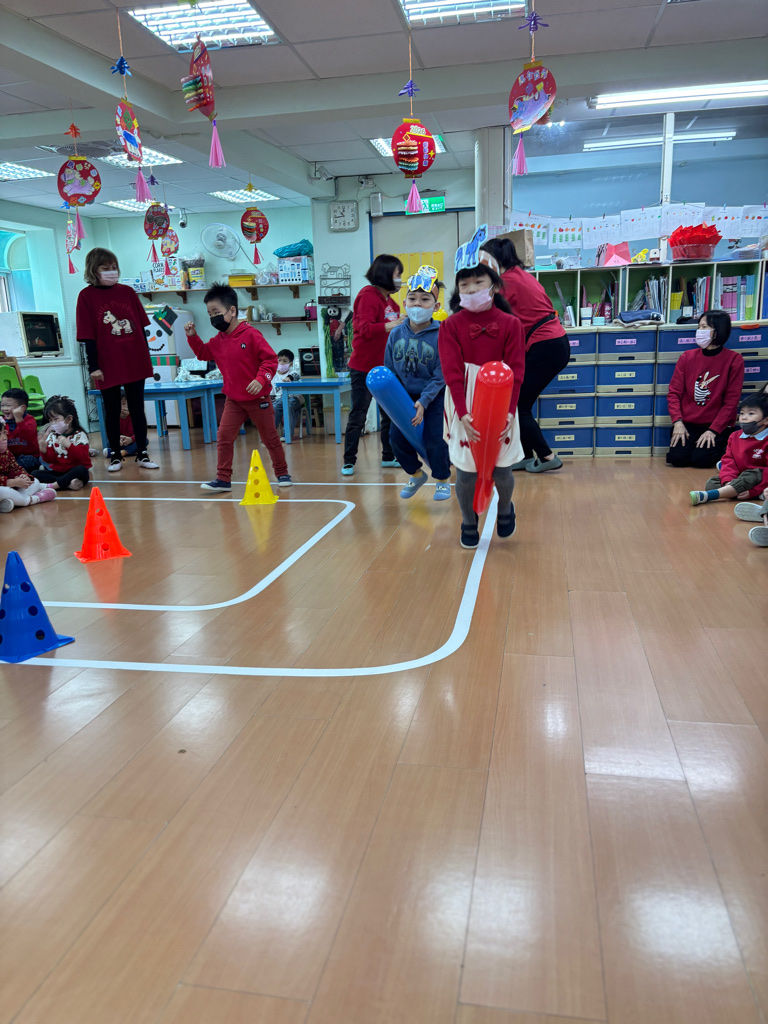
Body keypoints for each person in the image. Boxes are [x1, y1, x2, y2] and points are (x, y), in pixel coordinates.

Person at [438, 250, 526, 548]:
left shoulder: (512, 325)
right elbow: (451, 373)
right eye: (464, 284)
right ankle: (468, 520)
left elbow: (517, 371)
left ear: (494, 286)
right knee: (465, 471)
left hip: (502, 401)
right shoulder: (450, 326)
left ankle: (505, 508)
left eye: (479, 282)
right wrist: (462, 412)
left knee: (502, 469)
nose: (471, 289)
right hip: (463, 400)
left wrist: (510, 412)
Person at [185, 282, 292, 491]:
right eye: (209, 314)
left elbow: (270, 360)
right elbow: (203, 354)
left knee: (270, 439)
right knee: (224, 437)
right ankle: (223, 479)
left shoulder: (251, 334)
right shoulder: (218, 340)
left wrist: (260, 380)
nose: (213, 317)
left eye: (216, 312)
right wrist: (192, 337)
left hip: (258, 400)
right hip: (234, 400)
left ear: (232, 311)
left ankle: (282, 473)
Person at [481, 237, 570, 473]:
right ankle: (525, 455)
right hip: (552, 343)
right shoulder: (520, 275)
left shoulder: (505, 283)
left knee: (518, 404)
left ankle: (547, 456)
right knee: (518, 401)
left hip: (545, 346)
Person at [76, 247, 159, 472]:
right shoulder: (86, 296)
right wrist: (93, 366)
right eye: (106, 268)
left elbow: (141, 328)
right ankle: (114, 455)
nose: (112, 272)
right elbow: (87, 335)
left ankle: (142, 453)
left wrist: (146, 358)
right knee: (111, 410)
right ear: (94, 270)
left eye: (114, 267)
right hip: (107, 363)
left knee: (137, 408)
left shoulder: (128, 292)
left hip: (134, 359)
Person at [384, 267, 451, 501]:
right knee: (396, 439)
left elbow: (441, 375)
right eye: (412, 299)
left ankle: (442, 480)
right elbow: (390, 370)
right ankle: (416, 474)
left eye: (425, 300)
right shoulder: (395, 334)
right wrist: (394, 400)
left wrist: (424, 401)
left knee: (434, 439)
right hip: (404, 397)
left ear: (436, 306)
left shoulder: (442, 334)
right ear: (404, 303)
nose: (417, 304)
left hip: (433, 396)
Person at [343, 254, 406, 476]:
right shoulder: (368, 296)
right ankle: (349, 461)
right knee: (359, 414)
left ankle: (388, 456)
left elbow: (393, 329)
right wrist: (393, 324)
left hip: (385, 368)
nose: (399, 279)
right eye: (397, 274)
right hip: (363, 366)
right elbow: (364, 329)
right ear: (385, 274)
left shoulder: (390, 301)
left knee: (389, 414)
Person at [666, 310, 744, 469]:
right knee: (677, 459)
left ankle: (724, 446)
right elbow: (674, 393)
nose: (699, 331)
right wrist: (677, 422)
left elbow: (731, 402)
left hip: (716, 425)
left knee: (701, 460)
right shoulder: (687, 357)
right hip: (688, 423)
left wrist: (713, 430)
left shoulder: (734, 360)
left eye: (704, 327)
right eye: (699, 327)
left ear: (718, 331)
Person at [690, 394, 768, 506]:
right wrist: (727, 481)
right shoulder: (734, 436)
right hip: (740, 478)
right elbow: (729, 461)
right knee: (712, 483)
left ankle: (708, 496)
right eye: (742, 413)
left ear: (766, 420)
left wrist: (753, 491)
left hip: (760, 479)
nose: (744, 417)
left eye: (751, 413)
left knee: (751, 474)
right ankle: (745, 493)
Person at [33, 395, 92, 491]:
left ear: (69, 419)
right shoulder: (53, 435)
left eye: (56, 419)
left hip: (75, 472)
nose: (53, 423)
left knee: (81, 470)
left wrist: (69, 445)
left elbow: (82, 458)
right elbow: (50, 460)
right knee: (35, 474)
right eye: (51, 420)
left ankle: (55, 486)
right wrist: (44, 451)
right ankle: (67, 485)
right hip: (59, 472)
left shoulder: (79, 435)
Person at [0, 424, 56, 513]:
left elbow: (16, 467)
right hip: (5, 487)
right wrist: (11, 482)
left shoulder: (6, 452)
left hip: (12, 487)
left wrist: (23, 476)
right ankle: (34, 499)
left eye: (4, 433)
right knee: (2, 491)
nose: (4, 438)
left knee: (34, 481)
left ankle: (13, 501)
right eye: (0, 434)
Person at [1, 387, 40, 471]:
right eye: (2, 405)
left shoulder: (30, 420)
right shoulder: (3, 422)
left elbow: (28, 435)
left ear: (22, 408)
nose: (4, 409)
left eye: (8, 405)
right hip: (10, 457)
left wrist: (19, 419)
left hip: (29, 456)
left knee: (27, 461)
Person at [271, 349, 303, 438]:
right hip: (279, 400)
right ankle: (270, 434)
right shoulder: (273, 375)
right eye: (279, 360)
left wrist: (289, 378)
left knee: (289, 406)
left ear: (290, 364)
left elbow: (295, 376)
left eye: (285, 361)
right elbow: (271, 394)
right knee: (274, 408)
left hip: (294, 398)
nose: (281, 363)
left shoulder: (293, 372)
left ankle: (287, 434)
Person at [103, 390, 137, 459]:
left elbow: (140, 432)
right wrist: (118, 438)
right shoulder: (113, 417)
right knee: (109, 443)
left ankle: (122, 453)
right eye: (121, 404)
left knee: (145, 441)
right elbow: (111, 432)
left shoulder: (135, 415)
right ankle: (131, 451)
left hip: (132, 441)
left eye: (124, 403)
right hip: (120, 443)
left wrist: (131, 439)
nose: (125, 406)